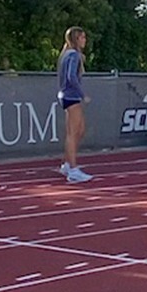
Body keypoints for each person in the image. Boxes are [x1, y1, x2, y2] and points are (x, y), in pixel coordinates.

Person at [57, 27, 94, 183]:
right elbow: (71, 76)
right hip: (71, 97)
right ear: (76, 39)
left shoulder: (67, 55)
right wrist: (82, 94)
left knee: (79, 130)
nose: (85, 40)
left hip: (68, 96)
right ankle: (73, 170)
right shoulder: (73, 55)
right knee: (73, 133)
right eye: (82, 37)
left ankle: (67, 163)